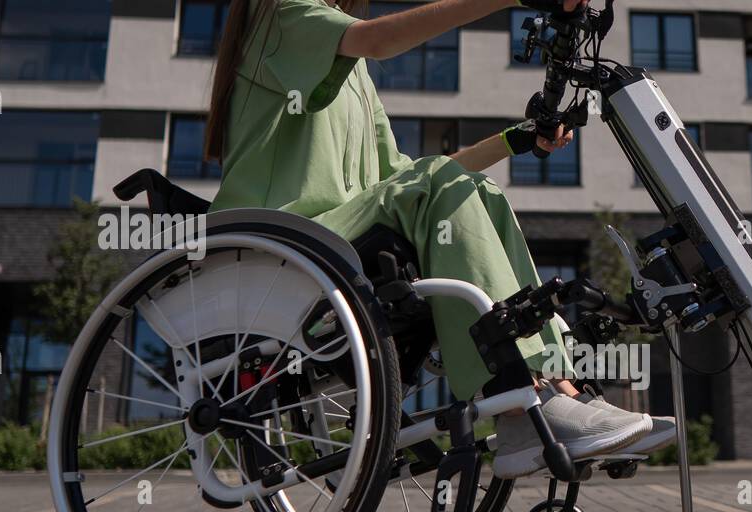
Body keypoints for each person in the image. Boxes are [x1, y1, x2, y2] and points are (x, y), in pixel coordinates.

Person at [206, 0, 674, 478]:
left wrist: (518, 138)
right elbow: (377, 40)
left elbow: (406, 176)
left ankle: (552, 390)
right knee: (442, 184)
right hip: (286, 235)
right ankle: (518, 399)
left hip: (336, 235)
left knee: (479, 190)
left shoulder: (355, 77)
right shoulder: (279, 15)